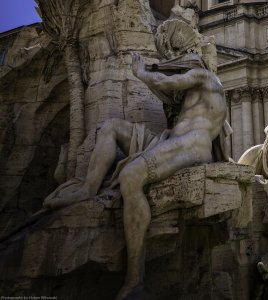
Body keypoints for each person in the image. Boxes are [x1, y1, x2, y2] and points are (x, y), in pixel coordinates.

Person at [44, 51, 228, 300]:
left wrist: (141, 73)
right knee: (110, 127)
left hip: (193, 144)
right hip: (171, 141)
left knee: (131, 176)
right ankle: (88, 188)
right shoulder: (195, 96)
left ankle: (134, 280)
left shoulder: (205, 76)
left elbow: (167, 82)